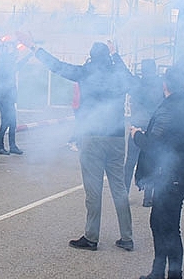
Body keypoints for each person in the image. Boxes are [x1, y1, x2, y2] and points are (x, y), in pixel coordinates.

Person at [19, 33, 134, 251]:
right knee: (119, 188)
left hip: (91, 136)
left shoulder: (87, 71)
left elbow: (57, 66)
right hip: (117, 136)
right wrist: (116, 54)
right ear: (108, 57)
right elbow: (130, 81)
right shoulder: (118, 74)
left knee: (93, 190)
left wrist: (34, 47)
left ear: (91, 57)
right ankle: (127, 237)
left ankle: (92, 237)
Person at [131, 67, 184, 279]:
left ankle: (172, 274)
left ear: (165, 85)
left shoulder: (168, 110)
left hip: (170, 176)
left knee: (167, 226)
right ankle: (159, 271)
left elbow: (153, 145)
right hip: (182, 173)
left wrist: (136, 135)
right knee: (161, 223)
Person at [125, 59, 163, 207]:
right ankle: (148, 198)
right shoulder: (160, 85)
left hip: (136, 126)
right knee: (151, 162)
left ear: (142, 70)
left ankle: (123, 194)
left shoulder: (137, 84)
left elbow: (125, 75)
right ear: (154, 70)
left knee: (129, 162)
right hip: (152, 128)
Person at [0, 41, 32, 155]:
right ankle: (0, 147)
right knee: (5, 123)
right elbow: (18, 63)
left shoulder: (8, 67)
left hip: (9, 100)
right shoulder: (4, 69)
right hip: (4, 100)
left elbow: (16, 60)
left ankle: (12, 146)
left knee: (13, 123)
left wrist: (17, 48)